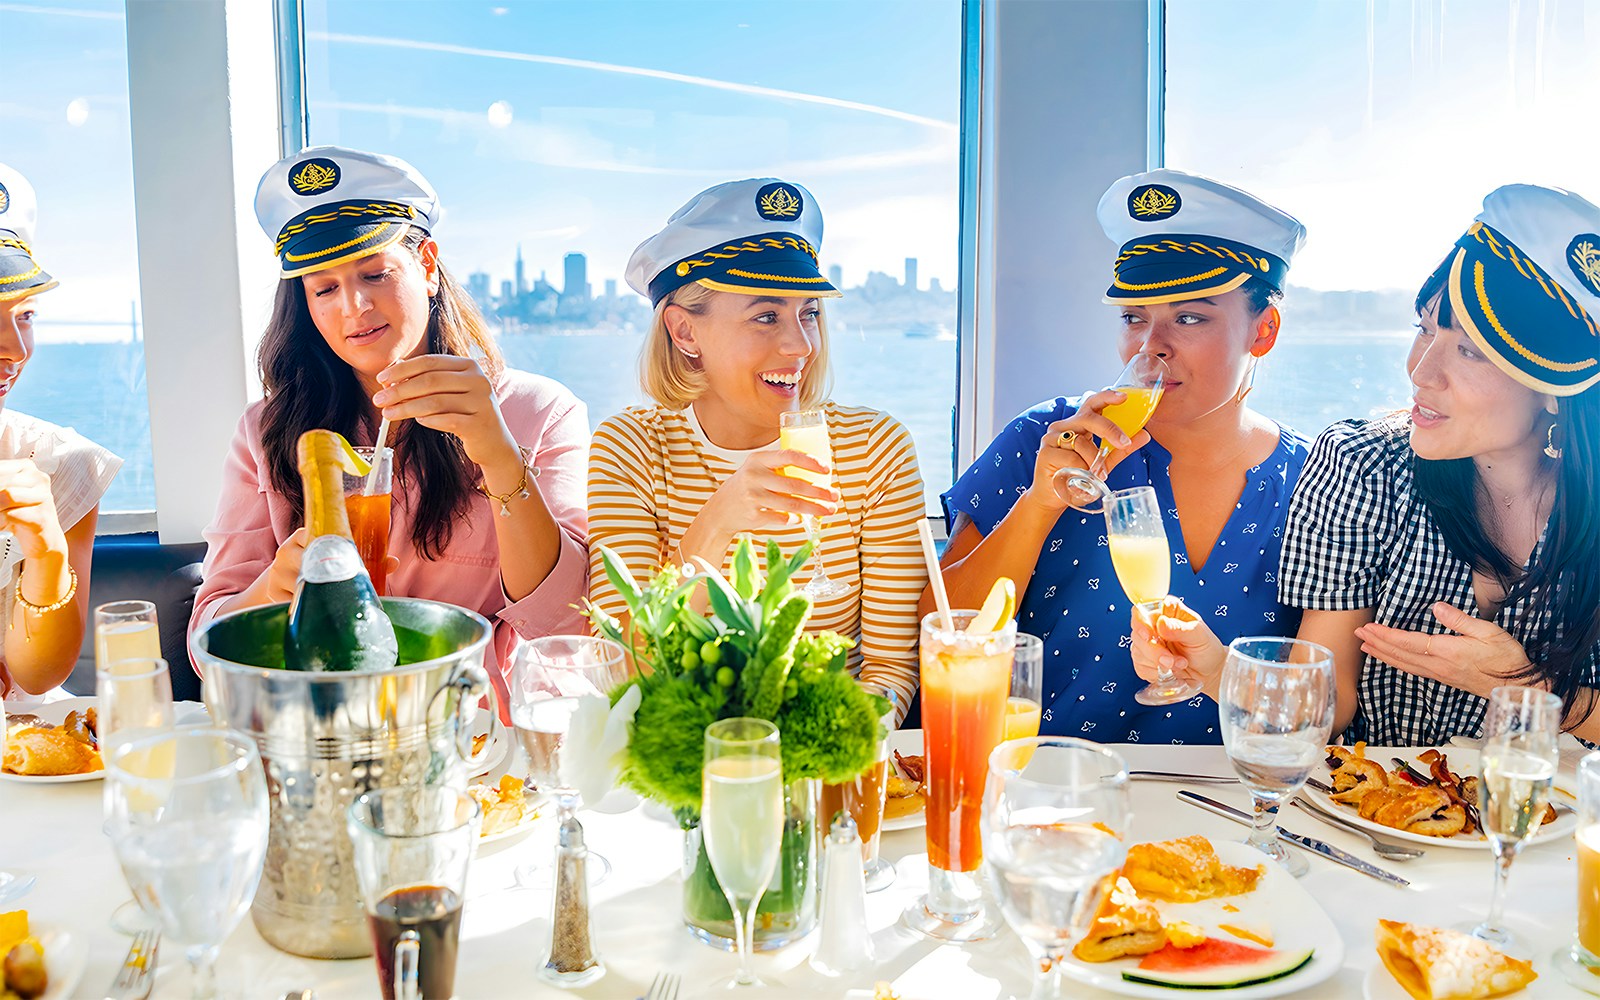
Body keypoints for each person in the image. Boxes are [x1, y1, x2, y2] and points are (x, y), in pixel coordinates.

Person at [1135, 184, 1600, 745]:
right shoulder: (1362, 467)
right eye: (1425, 330)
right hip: (1379, 817)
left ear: (1555, 386)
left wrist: (1526, 688)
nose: (1421, 372)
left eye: (1471, 350)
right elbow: (1327, 707)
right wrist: (1214, 669)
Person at [190, 147, 588, 703]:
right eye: (323, 288)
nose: (353, 306)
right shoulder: (266, 431)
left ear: (426, 265)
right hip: (323, 729)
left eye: (374, 273)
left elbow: (567, 629)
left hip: (474, 742)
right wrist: (273, 588)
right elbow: (209, 645)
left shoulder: (540, 412)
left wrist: (499, 458)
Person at [929, 169, 1308, 743]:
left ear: (1265, 331)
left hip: (1224, 807)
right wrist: (1038, 505)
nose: (1149, 345)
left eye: (1189, 317)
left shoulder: (1316, 481)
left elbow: (1322, 702)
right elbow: (935, 635)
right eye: (1134, 317)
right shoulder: (1044, 440)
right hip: (1051, 794)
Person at [588, 178, 927, 719]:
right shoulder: (630, 448)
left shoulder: (875, 448)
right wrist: (716, 523)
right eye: (766, 316)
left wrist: (815, 756)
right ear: (684, 331)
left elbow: (889, 672)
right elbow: (622, 674)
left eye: (809, 312)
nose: (800, 345)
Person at [0, 164, 121, 701]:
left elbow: (36, 675)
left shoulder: (57, 463)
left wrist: (47, 553)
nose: (16, 350)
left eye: (24, 316)